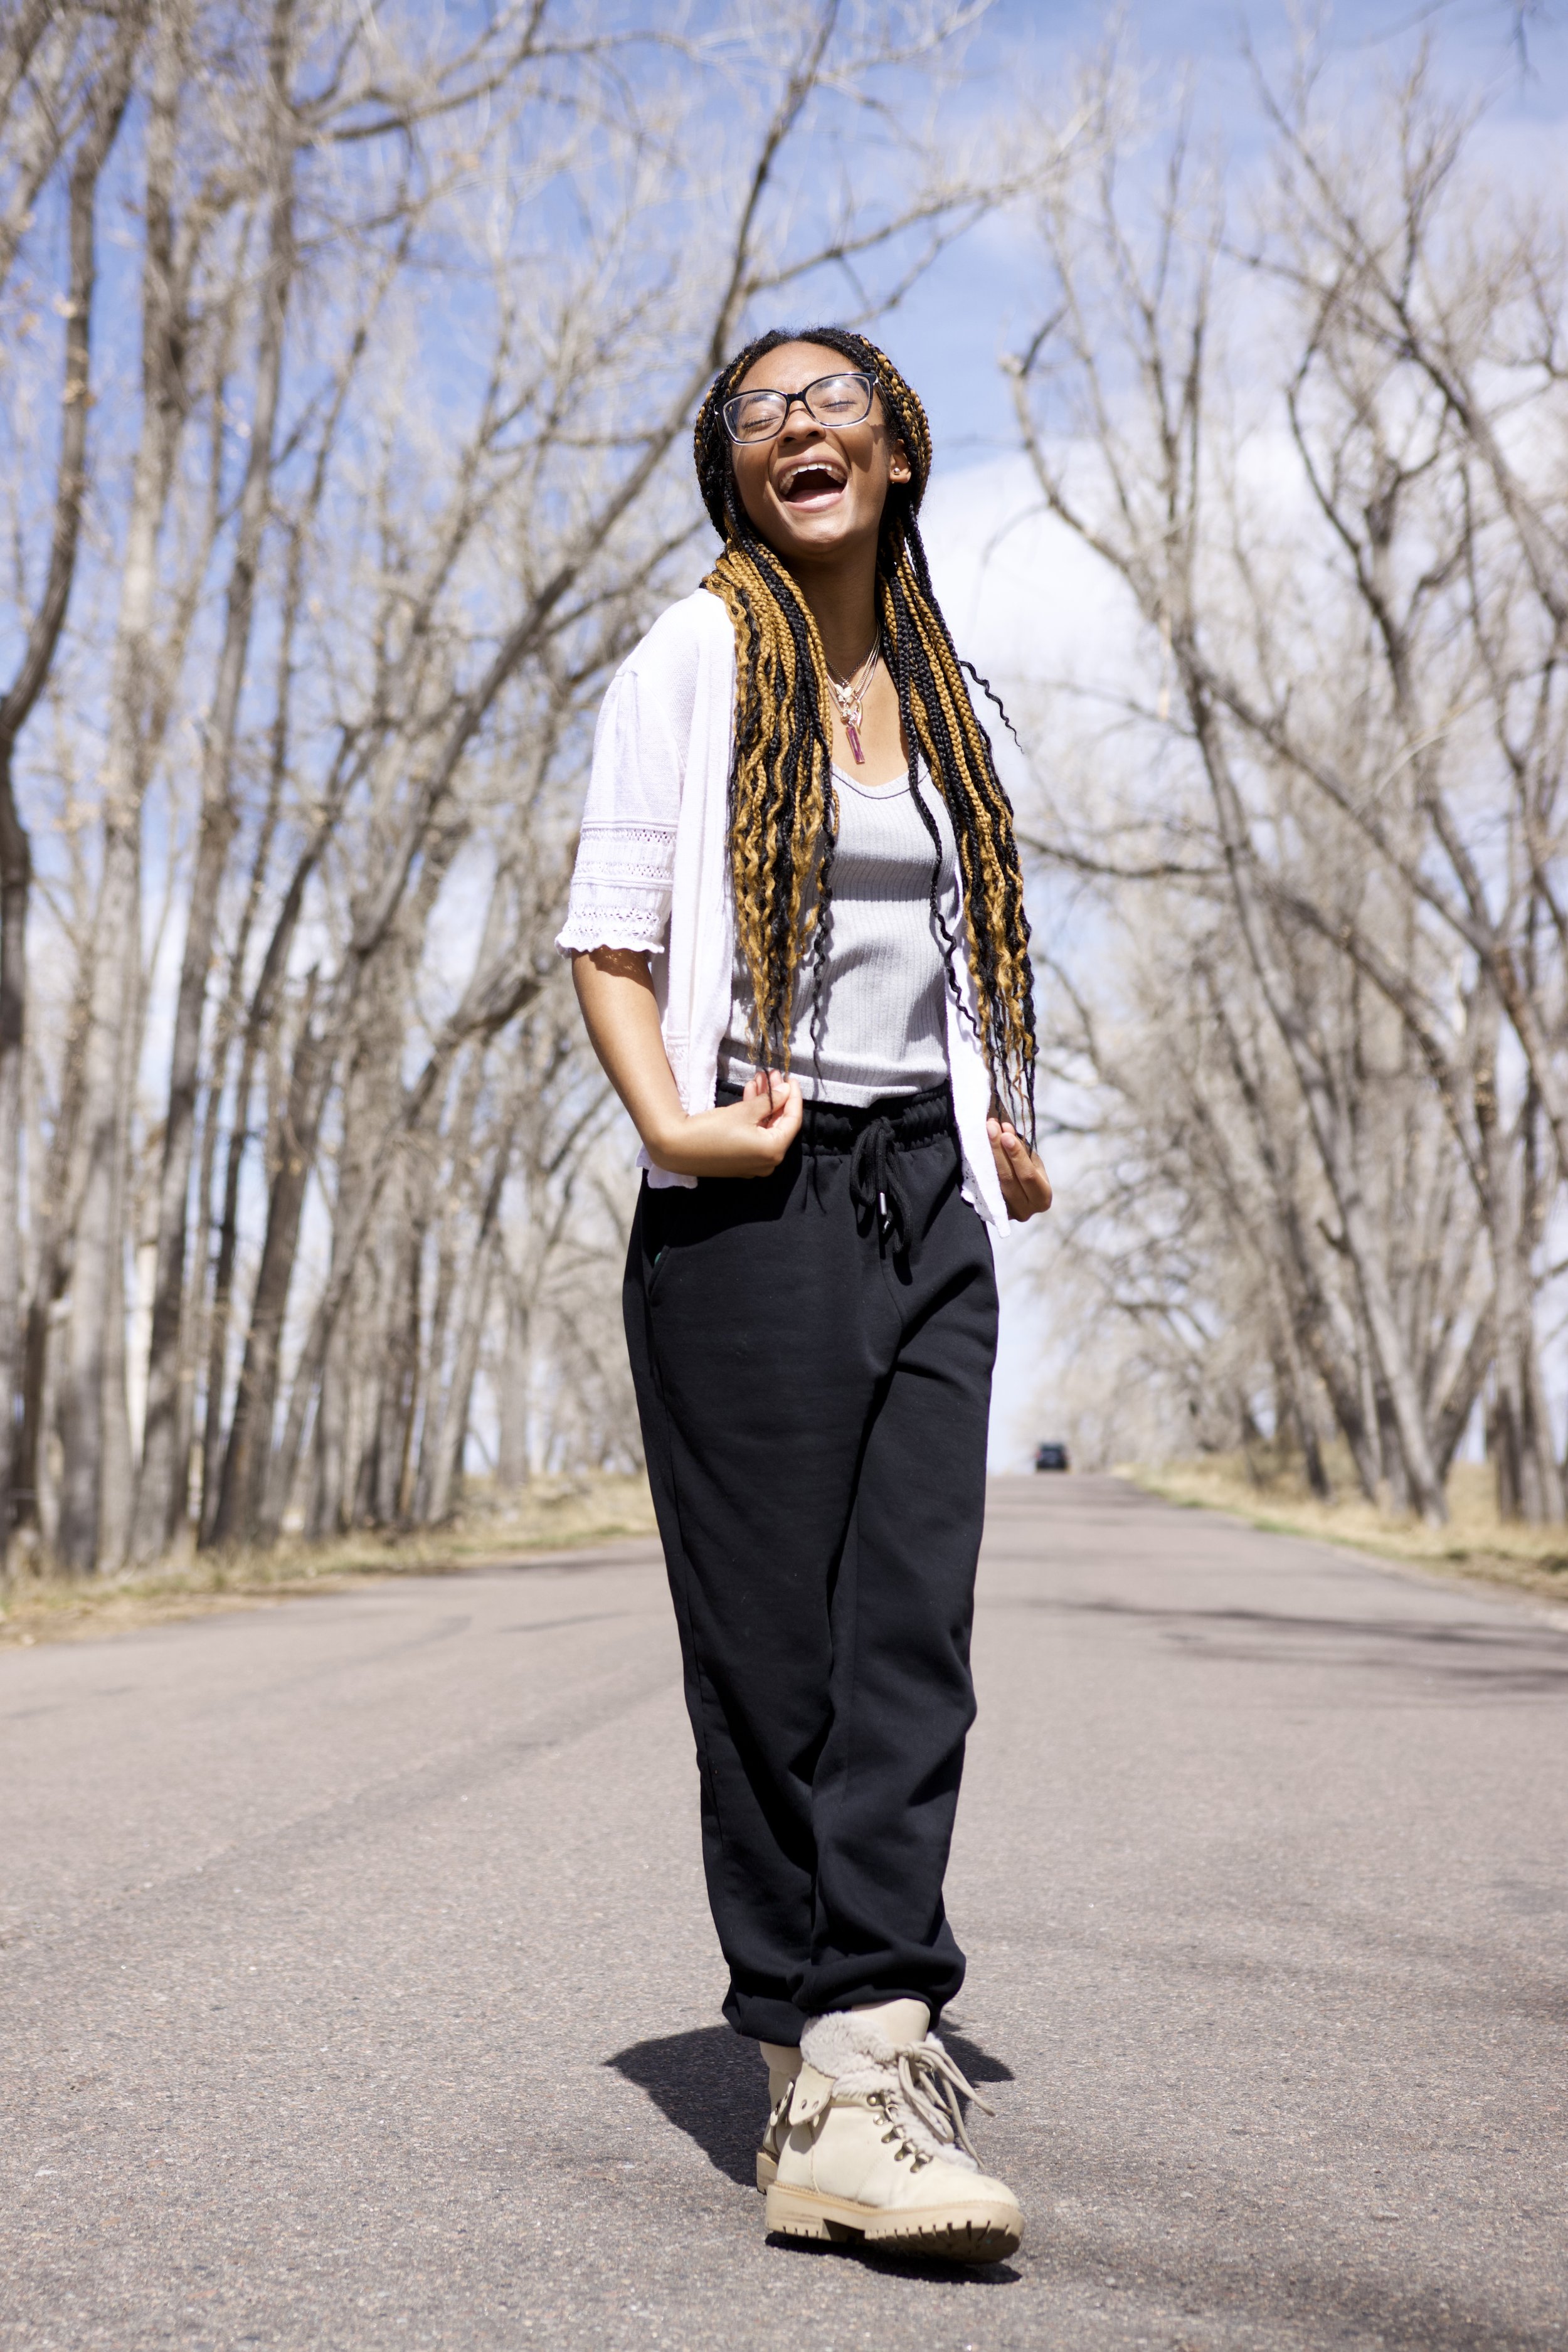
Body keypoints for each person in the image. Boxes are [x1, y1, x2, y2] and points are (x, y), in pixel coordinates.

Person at [558, 327, 1051, 2262]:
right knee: (778, 1664)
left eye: (829, 399)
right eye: (757, 413)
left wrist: (1002, 1114)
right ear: (732, 473)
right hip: (752, 1207)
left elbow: (963, 929)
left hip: (922, 1191)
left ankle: (867, 2037)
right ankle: (827, 2065)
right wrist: (681, 1127)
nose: (796, 427)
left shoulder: (937, 698)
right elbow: (608, 934)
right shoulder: (695, 657)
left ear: (897, 449)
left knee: (911, 1639)